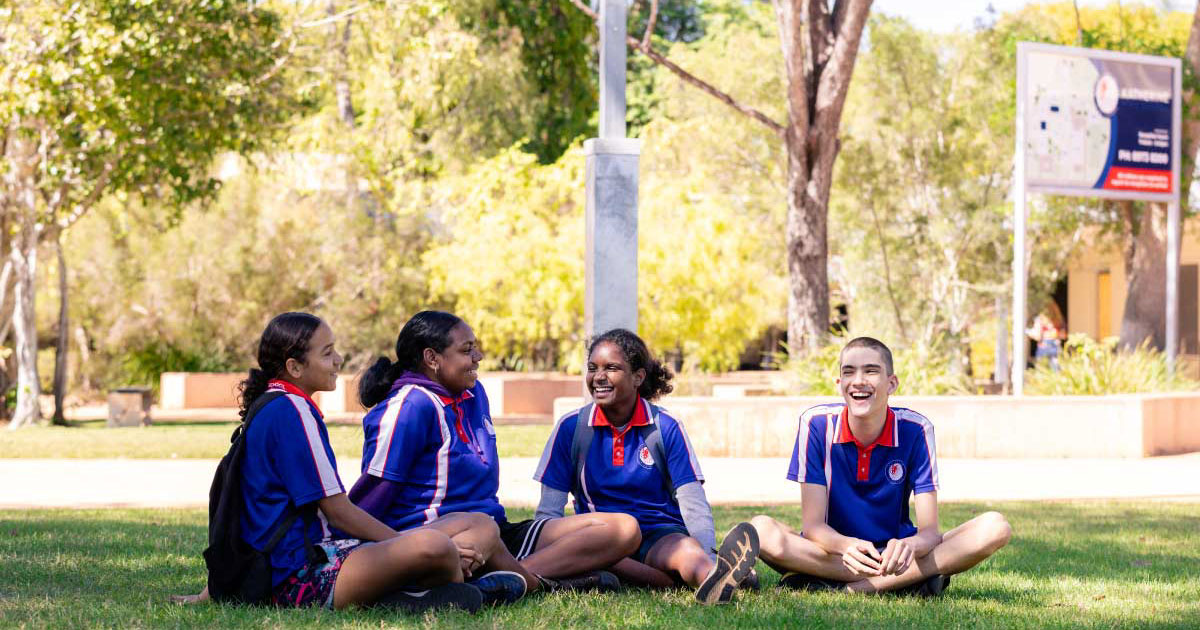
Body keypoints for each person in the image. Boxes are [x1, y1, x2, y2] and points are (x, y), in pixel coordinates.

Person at [176, 312, 517, 611]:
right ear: (295, 366)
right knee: (434, 546)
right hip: (296, 574)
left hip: (319, 554)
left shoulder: (275, 405)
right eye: (327, 354)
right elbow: (338, 511)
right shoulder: (292, 411)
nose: (338, 360)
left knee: (479, 523)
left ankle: (436, 588)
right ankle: (442, 590)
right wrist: (400, 545)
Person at [348, 310, 640, 596]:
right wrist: (364, 553)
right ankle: (541, 583)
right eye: (467, 350)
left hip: (496, 531)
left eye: (475, 348)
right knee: (480, 530)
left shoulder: (474, 394)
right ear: (432, 358)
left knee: (623, 529)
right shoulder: (408, 406)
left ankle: (512, 576)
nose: (478, 358)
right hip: (443, 539)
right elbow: (375, 492)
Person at [750, 337, 1012, 596]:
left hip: (893, 556)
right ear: (840, 384)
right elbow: (814, 527)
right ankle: (911, 581)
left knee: (994, 527)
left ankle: (849, 588)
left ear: (891, 383)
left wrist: (909, 546)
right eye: (849, 372)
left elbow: (930, 533)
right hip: (835, 553)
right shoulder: (816, 425)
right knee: (760, 529)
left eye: (871, 370)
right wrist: (846, 545)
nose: (859, 380)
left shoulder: (917, 429)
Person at [532, 328, 760, 605]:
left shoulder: (665, 426)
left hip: (658, 535)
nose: (599, 377)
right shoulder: (572, 427)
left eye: (611, 368)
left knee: (689, 553)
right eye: (592, 368)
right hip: (601, 538)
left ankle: (714, 578)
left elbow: (693, 502)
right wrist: (547, 546)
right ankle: (671, 579)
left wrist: (706, 553)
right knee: (611, 562)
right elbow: (549, 511)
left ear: (638, 376)